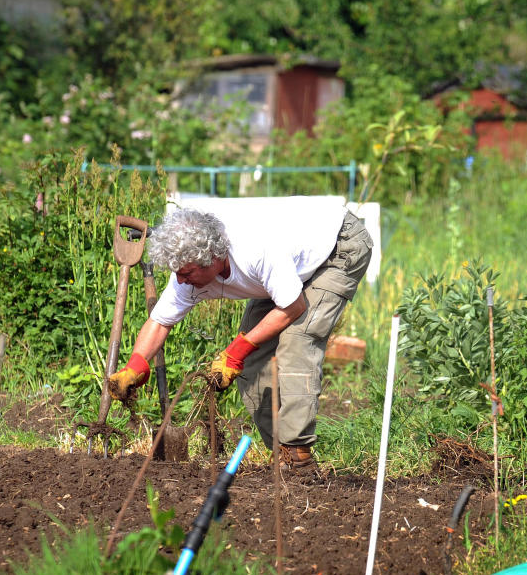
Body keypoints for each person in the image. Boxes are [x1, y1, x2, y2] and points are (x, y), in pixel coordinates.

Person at [107, 199, 373, 470]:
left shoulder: (256, 250)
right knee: (254, 365)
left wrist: (236, 351)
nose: (180, 281)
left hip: (336, 246)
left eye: (186, 273)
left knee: (298, 340)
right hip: (286, 265)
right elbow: (160, 322)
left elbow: (293, 306)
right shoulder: (187, 274)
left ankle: (297, 456)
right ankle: (281, 453)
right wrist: (135, 365)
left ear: (212, 257)